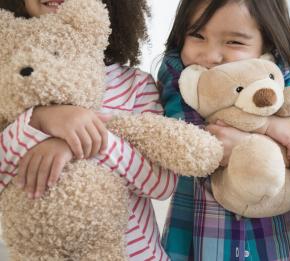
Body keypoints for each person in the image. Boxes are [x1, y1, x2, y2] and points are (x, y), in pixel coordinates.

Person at [0, 0, 176, 260]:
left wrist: (81, 141)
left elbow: (161, 185)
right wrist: (37, 122)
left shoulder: (135, 85)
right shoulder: (10, 83)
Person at [158, 0, 290, 260]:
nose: (210, 56)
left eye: (233, 42)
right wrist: (270, 131)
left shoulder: (283, 74)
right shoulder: (181, 76)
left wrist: (254, 136)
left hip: (278, 240)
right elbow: (187, 136)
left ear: (267, 43)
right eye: (197, 35)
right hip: (199, 241)